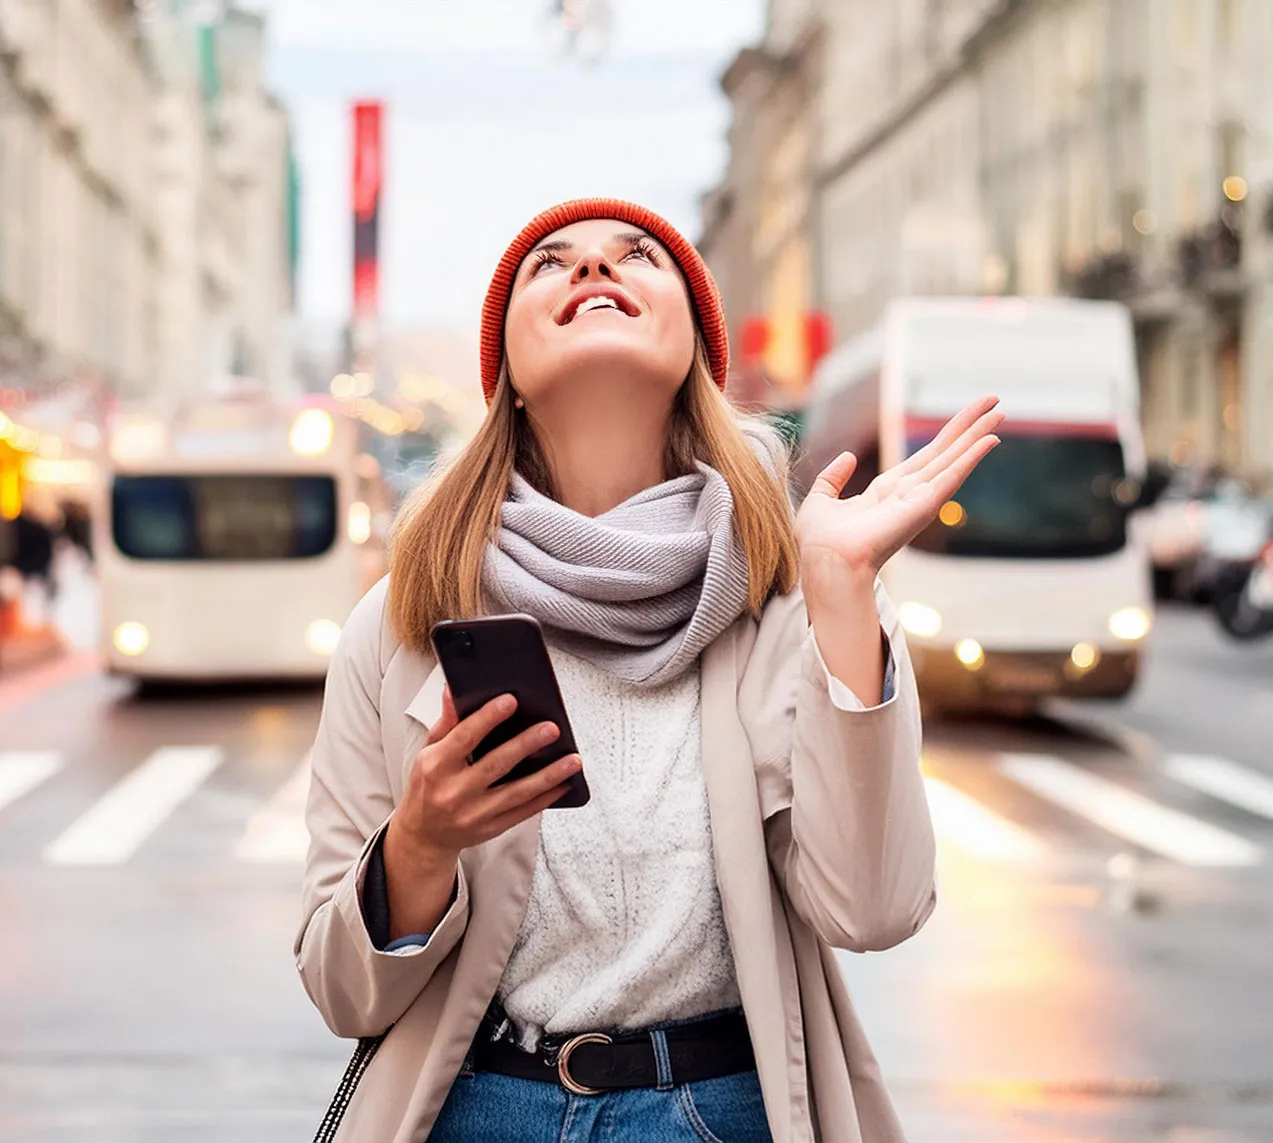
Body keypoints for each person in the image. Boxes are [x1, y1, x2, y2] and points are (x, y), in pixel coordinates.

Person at [295, 198, 1001, 1143]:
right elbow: (342, 990)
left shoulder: (785, 597)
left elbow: (872, 909)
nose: (594, 269)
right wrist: (418, 845)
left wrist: (840, 591)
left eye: (637, 256)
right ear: (503, 369)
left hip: (722, 1110)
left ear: (699, 354)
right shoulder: (403, 623)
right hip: (482, 1108)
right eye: (552, 263)